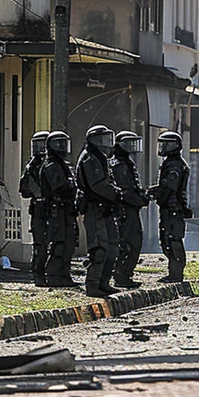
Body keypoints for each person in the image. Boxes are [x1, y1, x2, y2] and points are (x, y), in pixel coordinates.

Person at [76, 125, 123, 297]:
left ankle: (104, 282)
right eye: (102, 139)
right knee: (99, 248)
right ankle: (93, 284)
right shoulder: (90, 158)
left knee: (113, 248)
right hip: (95, 208)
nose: (106, 144)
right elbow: (97, 185)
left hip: (106, 208)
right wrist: (116, 194)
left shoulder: (101, 158)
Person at [39, 131, 78, 288]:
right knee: (59, 243)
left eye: (63, 143)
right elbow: (59, 188)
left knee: (69, 243)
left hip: (66, 210)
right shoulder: (52, 166)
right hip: (57, 210)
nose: (61, 147)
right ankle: (54, 274)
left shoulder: (63, 165)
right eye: (57, 144)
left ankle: (64, 274)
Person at [152, 131, 192, 283]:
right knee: (166, 240)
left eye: (167, 144)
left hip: (173, 209)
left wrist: (157, 195)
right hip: (170, 209)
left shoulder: (175, 165)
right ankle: (173, 273)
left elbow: (170, 188)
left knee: (173, 241)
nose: (163, 147)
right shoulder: (170, 162)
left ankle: (176, 274)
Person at [111, 131, 149, 289]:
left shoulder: (126, 163)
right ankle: (122, 274)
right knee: (129, 242)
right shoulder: (119, 165)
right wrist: (139, 200)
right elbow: (125, 191)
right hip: (126, 209)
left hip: (130, 208)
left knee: (134, 241)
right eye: (127, 143)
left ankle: (124, 274)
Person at [18, 131, 50, 286]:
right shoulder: (31, 167)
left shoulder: (54, 164)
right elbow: (24, 189)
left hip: (55, 208)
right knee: (40, 244)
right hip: (39, 209)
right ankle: (39, 273)